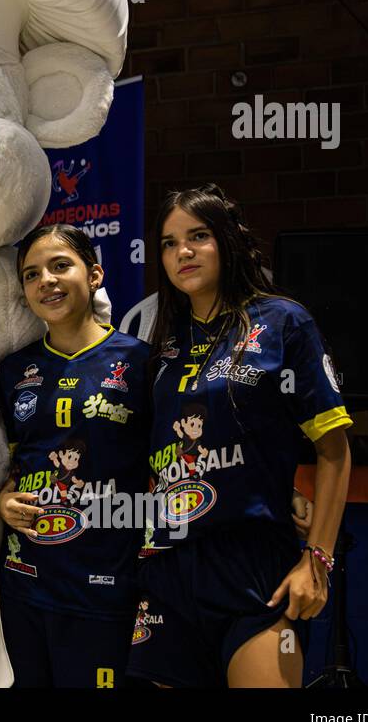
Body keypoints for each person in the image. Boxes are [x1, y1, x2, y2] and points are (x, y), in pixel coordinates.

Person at [127, 183, 352, 688]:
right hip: (167, 567)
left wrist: (316, 561)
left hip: (256, 569)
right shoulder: (159, 343)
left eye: (198, 236)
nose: (182, 251)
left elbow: (334, 453)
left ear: (227, 240)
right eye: (168, 242)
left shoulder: (283, 322)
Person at [0, 224, 151, 688]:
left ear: (95, 274)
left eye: (60, 265)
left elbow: (166, 462)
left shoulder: (142, 362)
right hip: (22, 587)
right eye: (31, 274)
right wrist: (3, 500)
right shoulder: (13, 369)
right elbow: (8, 462)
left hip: (104, 590)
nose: (46, 280)